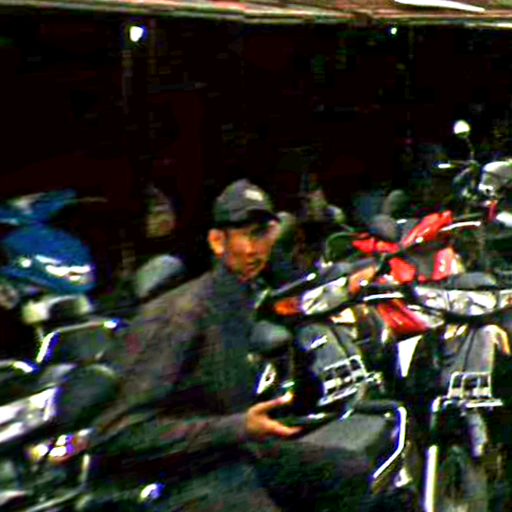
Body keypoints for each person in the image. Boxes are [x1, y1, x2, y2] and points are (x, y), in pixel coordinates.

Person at [91, 179, 373, 511]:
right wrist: (237, 426)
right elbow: (118, 434)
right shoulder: (180, 316)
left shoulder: (242, 300)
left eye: (262, 234)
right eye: (245, 235)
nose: (255, 249)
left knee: (349, 470)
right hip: (176, 476)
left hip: (226, 452)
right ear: (217, 241)